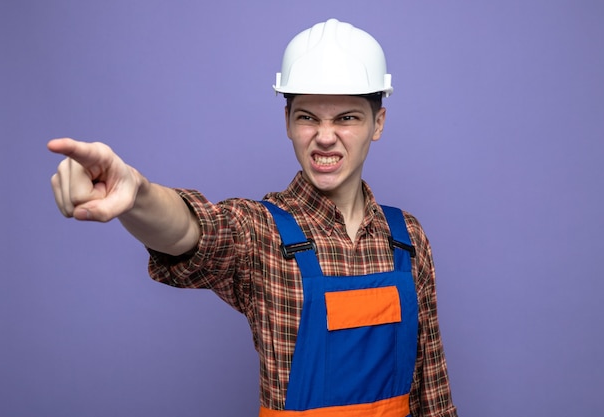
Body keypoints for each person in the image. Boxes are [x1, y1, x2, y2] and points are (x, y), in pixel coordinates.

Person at [48, 18, 458, 417]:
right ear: (288, 122)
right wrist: (137, 193)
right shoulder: (261, 234)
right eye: (307, 117)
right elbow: (194, 231)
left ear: (377, 123)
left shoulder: (406, 238)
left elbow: (432, 392)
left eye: (347, 117)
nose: (326, 136)